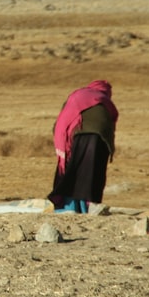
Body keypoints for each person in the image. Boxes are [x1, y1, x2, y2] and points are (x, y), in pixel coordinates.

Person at [49, 80, 118, 213]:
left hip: (81, 134)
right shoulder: (105, 100)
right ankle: (91, 206)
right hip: (104, 139)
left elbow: (63, 121)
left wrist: (64, 146)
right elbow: (110, 123)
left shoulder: (79, 95)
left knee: (76, 171)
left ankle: (72, 207)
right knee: (95, 172)